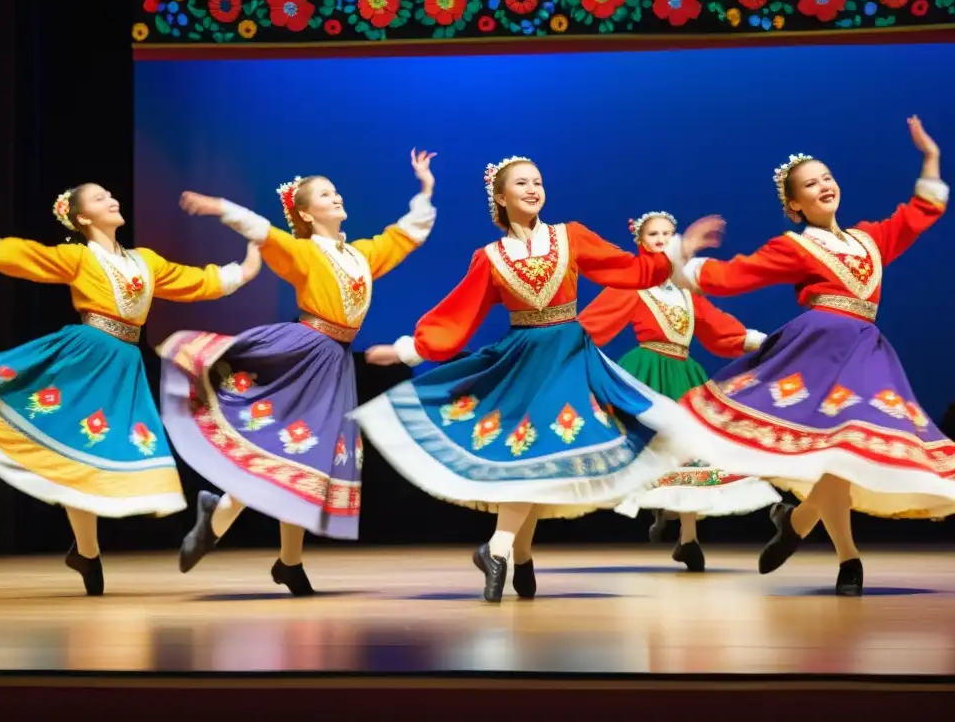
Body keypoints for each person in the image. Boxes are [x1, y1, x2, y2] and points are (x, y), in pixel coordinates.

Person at [351, 155, 725, 603]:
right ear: (501, 197)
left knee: (544, 450)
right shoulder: (490, 257)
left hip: (568, 355)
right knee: (530, 454)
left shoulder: (571, 237)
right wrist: (408, 348)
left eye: (538, 182)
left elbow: (632, 271)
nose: (532, 189)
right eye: (522, 183)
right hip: (524, 358)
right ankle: (519, 555)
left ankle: (499, 548)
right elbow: (459, 314)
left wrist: (679, 250)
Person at [669, 116, 955, 595]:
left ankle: (799, 523)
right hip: (817, 352)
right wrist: (685, 257)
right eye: (809, 185)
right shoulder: (797, 247)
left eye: (826, 177)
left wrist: (930, 158)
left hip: (865, 355)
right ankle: (847, 558)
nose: (822, 186)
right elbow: (739, 274)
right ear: (795, 206)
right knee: (836, 454)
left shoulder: (870, 239)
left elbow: (917, 215)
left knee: (848, 450)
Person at [0, 183, 261, 595]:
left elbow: (194, 282)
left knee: (93, 449)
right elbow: (22, 255)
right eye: (101, 199)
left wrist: (245, 269)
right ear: (83, 218)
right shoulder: (78, 257)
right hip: (85, 354)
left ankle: (86, 553)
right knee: (75, 443)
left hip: (124, 362)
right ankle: (86, 550)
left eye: (111, 195)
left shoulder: (146, 262)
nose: (113, 200)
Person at [159, 150, 438, 596]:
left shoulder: (362, 255)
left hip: (334, 361)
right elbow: (264, 233)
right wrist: (219, 208)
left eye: (336, 191)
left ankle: (288, 561)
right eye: (326, 194)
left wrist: (425, 190)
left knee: (309, 456)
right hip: (305, 352)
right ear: (306, 212)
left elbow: (404, 236)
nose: (337, 196)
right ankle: (220, 517)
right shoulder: (304, 252)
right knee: (291, 447)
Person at [578, 211, 780, 572]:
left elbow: (718, 327)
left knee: (695, 451)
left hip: (685, 374)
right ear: (640, 241)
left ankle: (688, 539)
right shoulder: (632, 286)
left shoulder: (687, 293)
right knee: (652, 449)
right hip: (648, 372)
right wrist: (560, 347)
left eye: (668, 233)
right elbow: (596, 323)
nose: (661, 239)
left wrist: (761, 342)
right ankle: (664, 512)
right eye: (654, 234)